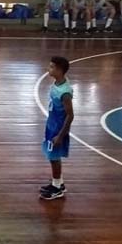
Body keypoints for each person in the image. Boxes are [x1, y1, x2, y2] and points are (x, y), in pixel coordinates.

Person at [39, 56, 74, 201]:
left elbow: (70, 115)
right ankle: (58, 183)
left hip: (58, 129)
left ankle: (57, 189)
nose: (49, 69)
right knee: (52, 157)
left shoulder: (65, 92)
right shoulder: (57, 83)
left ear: (59, 70)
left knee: (54, 158)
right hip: (51, 125)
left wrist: (60, 135)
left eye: (52, 67)